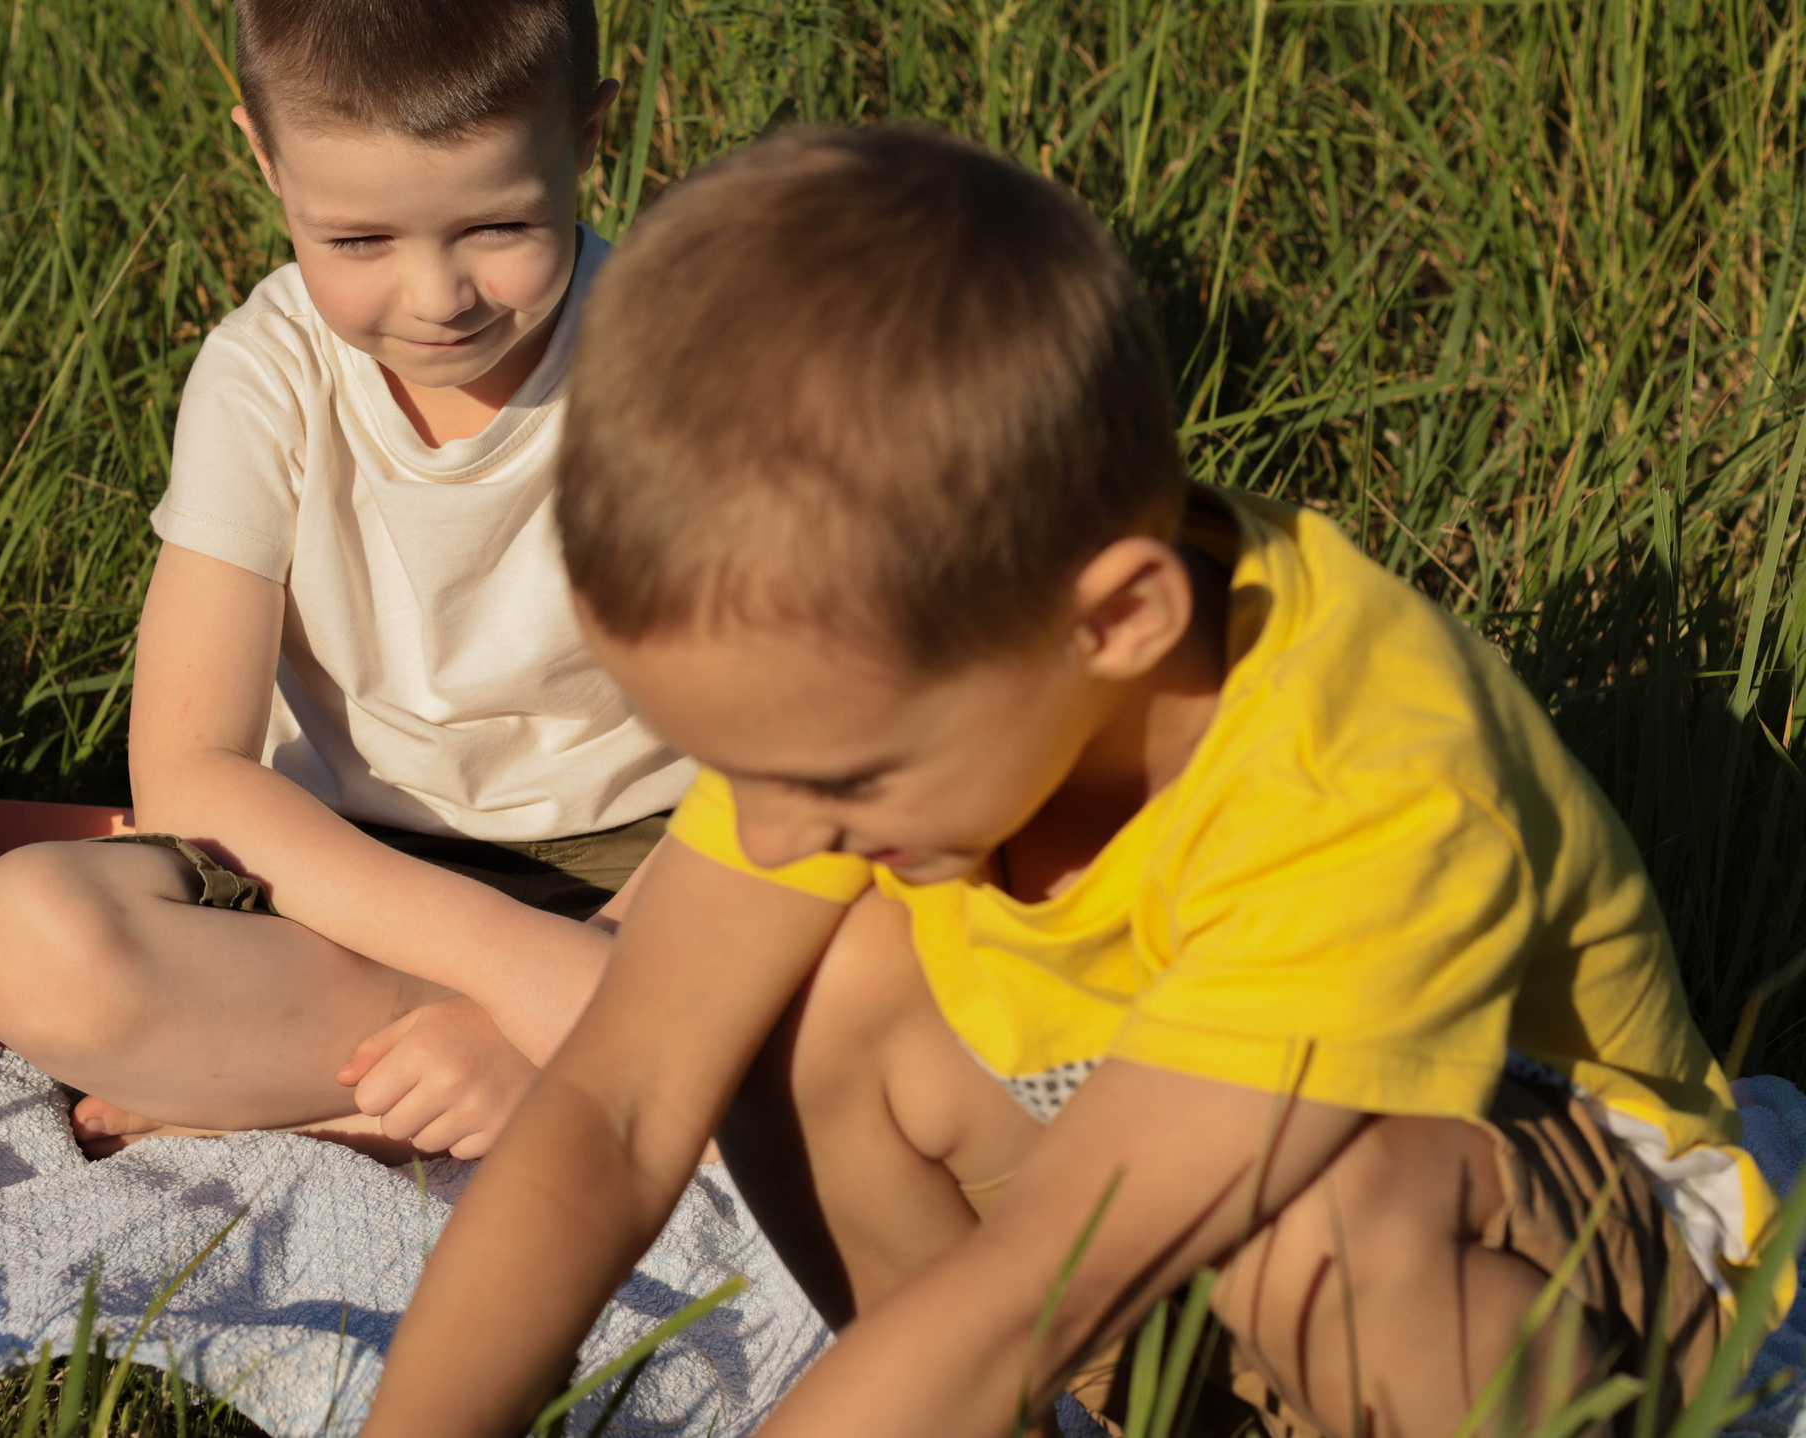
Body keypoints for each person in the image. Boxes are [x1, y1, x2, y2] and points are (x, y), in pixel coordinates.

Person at [360, 127, 1788, 1438]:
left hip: (1572, 1271)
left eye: (834, 777)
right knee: (805, 999)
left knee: (1323, 1223)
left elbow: (1035, 1289)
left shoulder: (1368, 784)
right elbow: (613, 1107)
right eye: (736, 768)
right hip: (1139, 1185)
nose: (771, 827)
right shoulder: (868, 673)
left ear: (1118, 622)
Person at [0, 0, 690, 1164]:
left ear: (586, 137)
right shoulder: (266, 377)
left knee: (921, 901)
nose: (439, 296)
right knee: (27, 935)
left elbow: (791, 761)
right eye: (359, 241)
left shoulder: (683, 361)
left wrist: (594, 957)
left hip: (656, 878)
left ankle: (355, 1093)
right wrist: (521, 975)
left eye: (499, 224)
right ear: (263, 156)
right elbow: (189, 771)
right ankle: (497, 1065)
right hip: (351, 884)